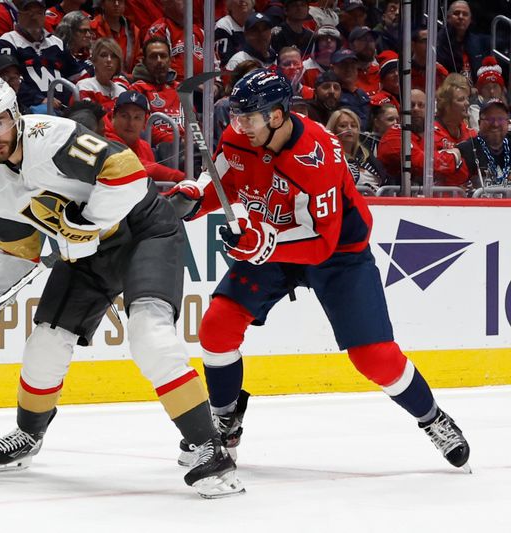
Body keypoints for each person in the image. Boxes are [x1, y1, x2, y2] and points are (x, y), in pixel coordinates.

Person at [0, 74, 245, 498]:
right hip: (84, 253)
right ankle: (28, 434)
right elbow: (17, 252)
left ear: (14, 115)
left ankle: (209, 449)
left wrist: (86, 224)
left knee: (149, 334)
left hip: (143, 231)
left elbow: (125, 170)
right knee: (45, 341)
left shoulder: (51, 137)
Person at [165, 68, 471, 472]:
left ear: (277, 115)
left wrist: (264, 242)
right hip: (271, 242)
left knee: (375, 357)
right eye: (237, 117)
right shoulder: (241, 136)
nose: (240, 125)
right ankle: (225, 420)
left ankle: (433, 419)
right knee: (216, 329)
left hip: (336, 253)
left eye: (248, 117)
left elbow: (320, 243)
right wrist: (194, 195)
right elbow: (222, 179)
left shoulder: (318, 154)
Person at [0, 0, 85, 114]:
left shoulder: (56, 43)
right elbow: (6, 82)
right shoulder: (7, 43)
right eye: (28, 12)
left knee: (93, 111)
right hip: (28, 109)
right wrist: (40, 100)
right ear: (19, 14)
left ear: (44, 15)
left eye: (38, 12)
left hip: (64, 107)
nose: (34, 17)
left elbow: (76, 75)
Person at [104, 89, 184, 183]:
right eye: (124, 116)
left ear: (144, 123)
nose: (131, 123)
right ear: (113, 116)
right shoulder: (105, 141)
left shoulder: (145, 147)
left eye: (137, 117)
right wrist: (183, 178)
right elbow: (135, 165)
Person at [436, 99, 511, 190]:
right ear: (479, 123)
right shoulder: (466, 149)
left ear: (508, 122)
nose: (495, 124)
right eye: (489, 119)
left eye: (500, 119)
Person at [130, 36, 183, 146]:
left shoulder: (181, 89)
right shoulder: (137, 90)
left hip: (188, 149)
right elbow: (142, 127)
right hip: (158, 150)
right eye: (153, 57)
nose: (159, 61)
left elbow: (194, 124)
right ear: (144, 61)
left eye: (163, 56)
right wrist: (178, 141)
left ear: (170, 60)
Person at [327, 107, 385, 193]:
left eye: (353, 126)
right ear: (333, 130)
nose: (349, 129)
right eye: (343, 126)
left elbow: (385, 180)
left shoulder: (366, 154)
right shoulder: (330, 156)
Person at [377, 88, 426, 183]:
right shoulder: (393, 136)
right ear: (401, 111)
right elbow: (420, 162)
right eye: (411, 105)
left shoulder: (433, 134)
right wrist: (454, 156)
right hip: (394, 195)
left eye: (421, 105)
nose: (416, 109)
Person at [436, 0, 489, 85]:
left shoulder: (477, 42)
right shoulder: (439, 41)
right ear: (448, 17)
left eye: (465, 14)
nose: (461, 17)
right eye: (456, 13)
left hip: (475, 92)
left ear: (470, 19)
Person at [76, 38, 127, 113]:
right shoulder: (84, 86)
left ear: (118, 63)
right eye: (103, 55)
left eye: (113, 56)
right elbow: (90, 120)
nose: (109, 60)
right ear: (94, 60)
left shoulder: (122, 92)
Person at [90, 0, 142, 74]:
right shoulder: (92, 28)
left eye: (120, 1)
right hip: (101, 77)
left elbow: (138, 60)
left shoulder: (133, 30)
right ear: (102, 4)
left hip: (128, 80)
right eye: (112, 1)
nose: (116, 4)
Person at [433, 73, 475, 151]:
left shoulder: (471, 135)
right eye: (461, 99)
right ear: (446, 105)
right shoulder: (432, 134)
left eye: (467, 98)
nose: (467, 103)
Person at [331, 47, 370, 127]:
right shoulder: (332, 94)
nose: (348, 68)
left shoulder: (362, 94)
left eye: (352, 64)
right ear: (332, 68)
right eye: (343, 65)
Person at [214, 0, 252, 67]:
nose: (242, 0)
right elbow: (225, 63)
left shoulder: (257, 24)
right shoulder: (223, 26)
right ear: (229, 4)